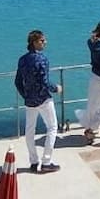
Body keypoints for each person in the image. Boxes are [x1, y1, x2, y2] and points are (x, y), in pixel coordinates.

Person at [15, 29, 62, 173]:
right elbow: (44, 82)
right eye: (42, 40)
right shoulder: (42, 60)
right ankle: (46, 161)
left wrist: (26, 95)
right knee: (52, 127)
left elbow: (17, 82)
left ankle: (34, 162)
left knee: (29, 131)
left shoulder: (22, 60)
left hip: (30, 101)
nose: (45, 42)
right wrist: (56, 88)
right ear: (34, 42)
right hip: (43, 99)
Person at [77, 21, 100, 145]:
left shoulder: (92, 44)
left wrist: (93, 37)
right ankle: (91, 130)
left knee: (93, 105)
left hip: (94, 77)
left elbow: (89, 41)